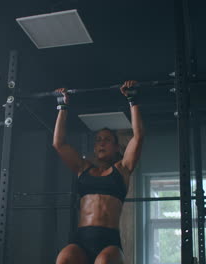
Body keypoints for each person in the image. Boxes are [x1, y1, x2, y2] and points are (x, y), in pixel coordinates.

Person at [53, 80, 145, 264]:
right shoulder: (83, 168)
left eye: (107, 140)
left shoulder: (122, 169)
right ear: (94, 147)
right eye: (98, 140)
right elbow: (59, 144)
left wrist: (132, 100)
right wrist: (62, 106)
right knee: (63, 259)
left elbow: (138, 136)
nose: (101, 143)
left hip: (108, 242)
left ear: (116, 147)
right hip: (80, 240)